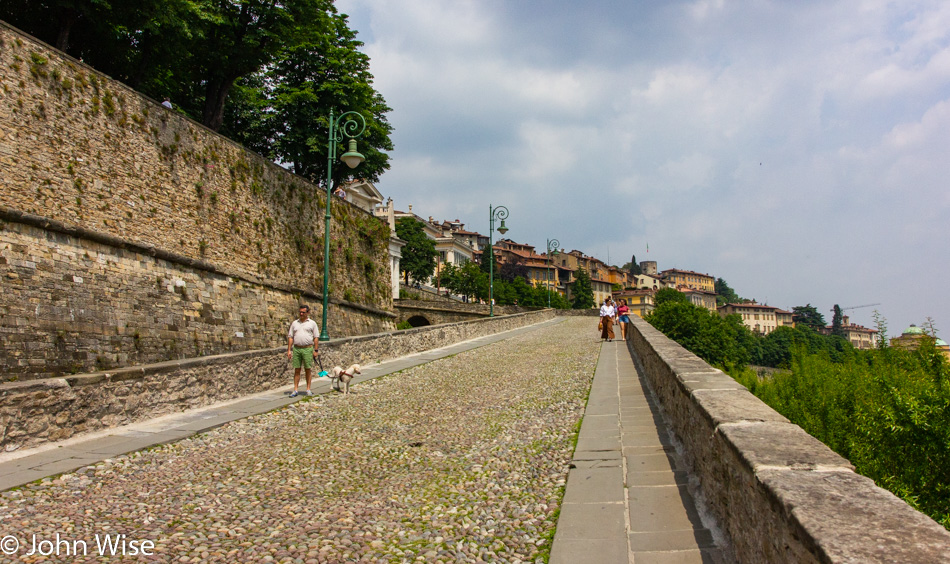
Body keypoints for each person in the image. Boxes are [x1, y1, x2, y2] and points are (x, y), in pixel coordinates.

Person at [287, 305, 320, 397]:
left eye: (303, 312)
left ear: (307, 313)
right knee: (297, 369)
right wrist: (289, 350)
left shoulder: (312, 323)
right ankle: (295, 390)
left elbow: (316, 337)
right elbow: (290, 337)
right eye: (300, 312)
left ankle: (308, 389)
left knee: (308, 369)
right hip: (297, 348)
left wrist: (316, 350)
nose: (301, 314)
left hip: (308, 348)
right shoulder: (294, 323)